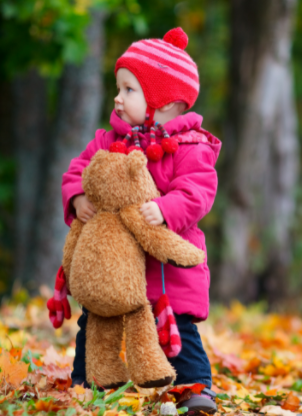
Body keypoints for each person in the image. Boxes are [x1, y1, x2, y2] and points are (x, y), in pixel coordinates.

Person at [61, 27, 221, 414]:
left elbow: (198, 191)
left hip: (168, 271)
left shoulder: (189, 147)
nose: (118, 98)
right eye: (119, 88)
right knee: (94, 322)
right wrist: (78, 196)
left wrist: (166, 210)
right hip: (115, 266)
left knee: (176, 331)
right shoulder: (107, 141)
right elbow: (77, 171)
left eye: (130, 90)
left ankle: (194, 389)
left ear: (165, 102)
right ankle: (88, 382)